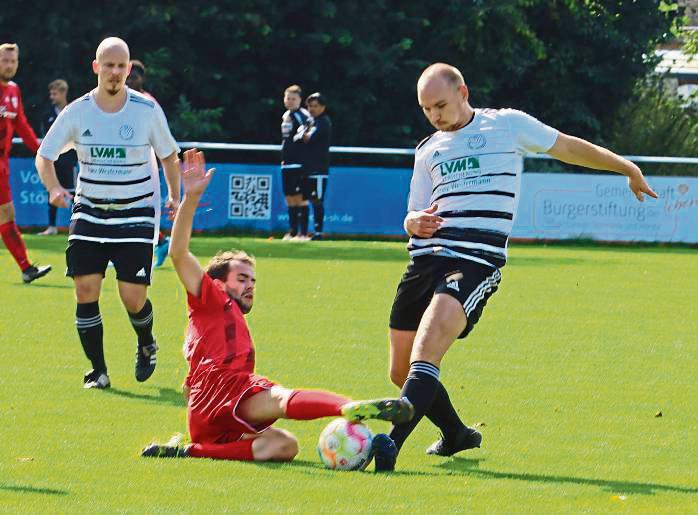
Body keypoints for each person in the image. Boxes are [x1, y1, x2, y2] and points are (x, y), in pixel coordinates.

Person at [380, 62, 658, 472]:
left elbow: (568, 146)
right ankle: (456, 435)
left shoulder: (506, 125)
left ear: (463, 92)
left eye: (440, 104)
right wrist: (412, 222)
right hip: (423, 263)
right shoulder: (428, 149)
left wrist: (626, 167)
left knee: (428, 349)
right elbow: (412, 211)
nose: (435, 115)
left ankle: (389, 446)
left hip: (474, 261)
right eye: (426, 109)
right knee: (400, 372)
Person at [141, 149, 413, 462]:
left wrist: (193, 394)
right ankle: (344, 406)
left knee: (285, 445)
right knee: (280, 398)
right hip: (224, 388)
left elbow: (191, 382)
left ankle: (191, 450)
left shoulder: (215, 317)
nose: (250, 286)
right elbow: (178, 253)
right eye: (242, 278)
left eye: (253, 281)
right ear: (217, 284)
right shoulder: (210, 299)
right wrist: (190, 199)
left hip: (212, 406)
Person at [35, 37, 181, 389]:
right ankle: (98, 371)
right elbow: (45, 155)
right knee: (85, 290)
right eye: (109, 65)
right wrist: (54, 188)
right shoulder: (77, 111)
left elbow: (168, 156)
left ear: (129, 69)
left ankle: (146, 341)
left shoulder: (145, 110)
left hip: (136, 212)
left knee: (133, 298)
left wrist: (175, 197)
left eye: (121, 66)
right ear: (96, 67)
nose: (115, 72)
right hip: (89, 210)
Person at [0, 43, 51, 283]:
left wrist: (42, 150)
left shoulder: (13, 90)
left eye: (12, 61)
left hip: (2, 164)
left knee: (6, 213)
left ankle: (26, 268)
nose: (9, 65)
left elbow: (20, 123)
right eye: (4, 61)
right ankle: (26, 267)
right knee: (6, 213)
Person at [126, 59, 170, 267]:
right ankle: (160, 242)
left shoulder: (148, 103)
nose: (129, 80)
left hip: (145, 167)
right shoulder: (121, 100)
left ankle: (158, 243)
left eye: (134, 76)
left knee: (136, 212)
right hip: (126, 167)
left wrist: (162, 164)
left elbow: (162, 139)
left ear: (142, 79)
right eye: (128, 76)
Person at [38, 79, 77, 236]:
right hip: (53, 162)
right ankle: (52, 226)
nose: (51, 96)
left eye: (54, 93)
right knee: (52, 192)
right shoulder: (47, 115)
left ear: (63, 92)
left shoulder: (74, 111)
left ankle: (76, 226)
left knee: (75, 194)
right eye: (50, 93)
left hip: (70, 161)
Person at [280, 85, 310, 240]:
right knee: (290, 197)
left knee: (301, 198)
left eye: (293, 99)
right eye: (288, 98)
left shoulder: (302, 115)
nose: (290, 101)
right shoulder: (286, 115)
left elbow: (307, 134)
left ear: (299, 100)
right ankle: (292, 232)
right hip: (287, 163)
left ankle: (303, 233)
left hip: (299, 163)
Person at [301, 92, 332, 240]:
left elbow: (308, 138)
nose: (312, 109)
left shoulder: (323, 121)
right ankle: (304, 231)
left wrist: (304, 135)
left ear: (323, 107)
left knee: (317, 199)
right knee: (308, 199)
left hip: (319, 168)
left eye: (315, 106)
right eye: (309, 106)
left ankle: (318, 232)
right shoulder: (309, 121)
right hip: (307, 168)